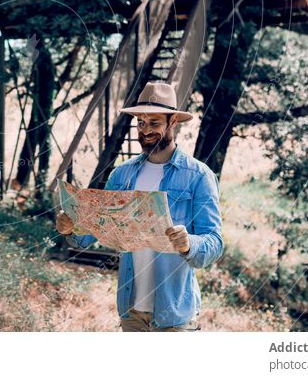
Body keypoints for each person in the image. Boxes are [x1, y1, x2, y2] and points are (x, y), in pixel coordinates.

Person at [56, 82, 223, 332]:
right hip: (131, 311)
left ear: (173, 122)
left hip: (174, 315)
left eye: (154, 123)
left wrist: (189, 243)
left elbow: (215, 243)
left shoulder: (198, 176)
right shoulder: (121, 175)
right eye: (141, 123)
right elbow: (92, 230)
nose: (145, 131)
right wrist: (71, 228)